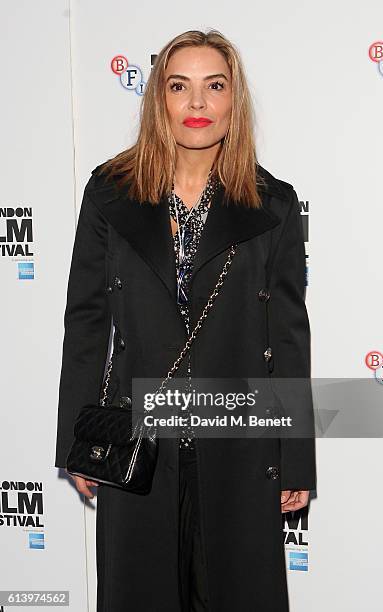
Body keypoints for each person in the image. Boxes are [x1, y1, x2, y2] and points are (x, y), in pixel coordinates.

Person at [55, 29, 316, 612]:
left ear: (234, 100)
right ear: (159, 100)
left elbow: (288, 338)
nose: (197, 105)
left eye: (214, 86)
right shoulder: (110, 195)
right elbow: (87, 324)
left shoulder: (273, 205)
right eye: (180, 86)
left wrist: (295, 455)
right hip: (138, 444)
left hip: (240, 448)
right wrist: (77, 439)